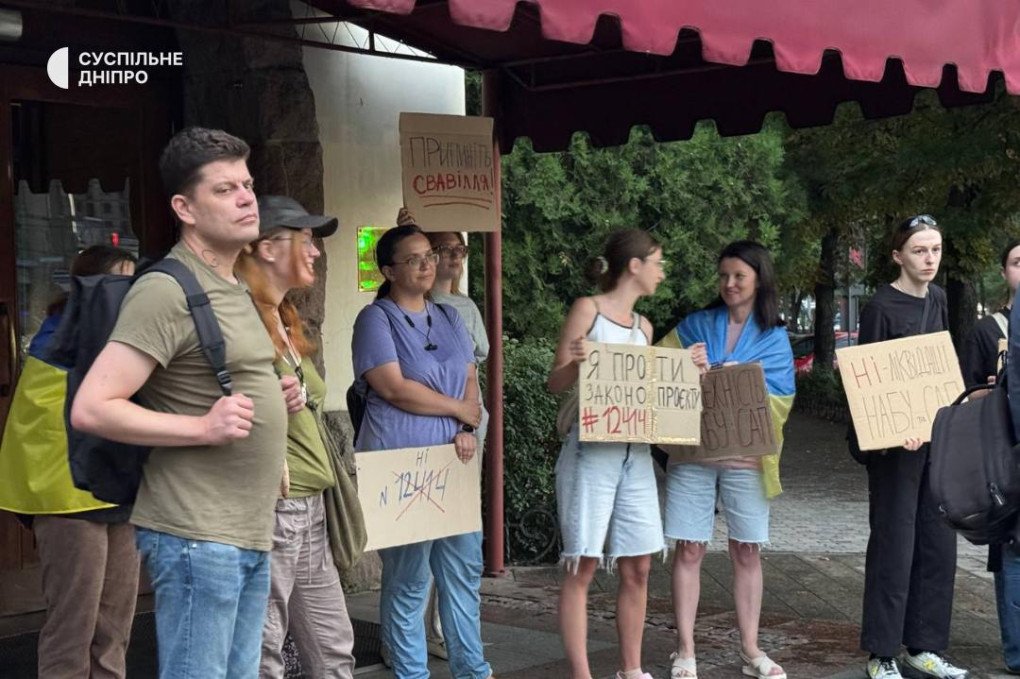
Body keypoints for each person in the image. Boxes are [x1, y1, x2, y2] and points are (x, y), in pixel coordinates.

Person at [70, 127, 293, 678]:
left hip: (246, 529)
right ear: (184, 208)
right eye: (224, 190)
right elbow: (94, 406)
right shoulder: (166, 289)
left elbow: (218, 382)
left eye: (247, 184)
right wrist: (203, 429)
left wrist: (274, 403)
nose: (245, 197)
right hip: (198, 537)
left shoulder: (235, 284)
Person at [351, 223, 492, 679]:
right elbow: (394, 388)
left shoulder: (449, 315)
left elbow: (468, 372)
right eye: (414, 258)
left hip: (453, 459)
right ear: (389, 270)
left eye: (429, 254)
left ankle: (473, 670)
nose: (427, 263)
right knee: (410, 579)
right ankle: (412, 673)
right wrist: (461, 411)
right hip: (401, 463)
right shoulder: (376, 319)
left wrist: (464, 422)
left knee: (462, 573)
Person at [0, 245, 139, 679]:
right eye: (121, 281)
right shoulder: (60, 335)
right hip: (68, 498)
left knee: (115, 631)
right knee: (72, 631)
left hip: (120, 493)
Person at [657, 240, 793, 679]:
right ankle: (686, 650)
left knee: (747, 551)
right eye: (724, 276)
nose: (729, 284)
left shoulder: (775, 336)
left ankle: (752, 649)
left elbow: (783, 397)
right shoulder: (696, 323)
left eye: (739, 276)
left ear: (759, 280)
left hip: (747, 459)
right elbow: (653, 368)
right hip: (694, 454)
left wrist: (730, 378)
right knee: (690, 548)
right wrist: (682, 362)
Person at [235, 195, 356, 678]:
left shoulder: (283, 317)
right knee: (263, 648)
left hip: (310, 508)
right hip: (274, 506)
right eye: (305, 240)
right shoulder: (237, 317)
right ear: (266, 247)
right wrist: (263, 403)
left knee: (331, 646)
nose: (316, 251)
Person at [547, 229, 668, 679]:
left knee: (638, 565)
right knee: (584, 562)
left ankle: (631, 670)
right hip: (589, 452)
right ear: (634, 266)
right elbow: (554, 383)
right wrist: (578, 363)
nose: (661, 272)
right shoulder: (588, 310)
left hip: (633, 454)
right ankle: (582, 675)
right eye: (656, 263)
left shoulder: (645, 328)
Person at [853, 215, 967, 679]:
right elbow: (865, 381)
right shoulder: (880, 306)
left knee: (938, 546)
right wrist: (893, 428)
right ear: (898, 255)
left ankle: (925, 645)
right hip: (893, 450)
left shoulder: (939, 299)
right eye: (920, 250)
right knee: (894, 547)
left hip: (934, 443)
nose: (930, 259)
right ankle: (882, 653)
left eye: (936, 250)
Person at [418, 214, 491, 661]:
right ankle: (418, 633)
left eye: (459, 250)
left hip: (465, 424)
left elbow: (477, 353)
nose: (453, 258)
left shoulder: (464, 306)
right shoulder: (410, 306)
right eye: (444, 249)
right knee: (422, 531)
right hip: (427, 424)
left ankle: (448, 629)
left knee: (460, 530)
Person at [960, 238, 1020, 675]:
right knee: (1012, 546)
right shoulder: (988, 329)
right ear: (1004, 272)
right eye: (1017, 261)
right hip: (1006, 446)